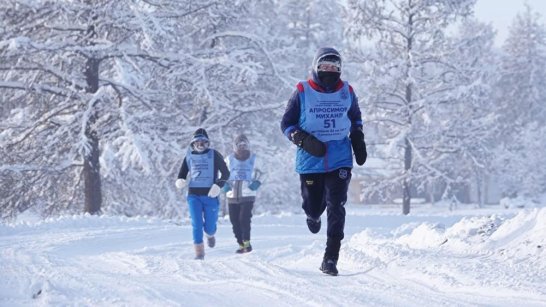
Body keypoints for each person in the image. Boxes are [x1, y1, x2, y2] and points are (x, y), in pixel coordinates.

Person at [280, 47, 367, 276]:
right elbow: (286, 124)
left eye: (334, 67)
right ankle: (312, 214)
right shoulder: (302, 90)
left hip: (340, 158)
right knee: (313, 203)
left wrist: (357, 136)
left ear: (339, 69)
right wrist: (301, 139)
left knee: (336, 206)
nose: (329, 71)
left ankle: (330, 258)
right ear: (316, 67)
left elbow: (355, 117)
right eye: (324, 66)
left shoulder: (347, 91)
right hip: (311, 159)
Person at [175, 128, 230, 260]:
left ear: (207, 143)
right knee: (196, 223)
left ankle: (210, 234)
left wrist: (218, 185)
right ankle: (199, 253)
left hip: (210, 195)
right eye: (197, 142)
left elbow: (226, 173)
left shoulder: (214, 155)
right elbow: (182, 174)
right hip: (193, 195)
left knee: (209, 226)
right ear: (193, 144)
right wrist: (180, 181)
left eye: (203, 142)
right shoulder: (189, 156)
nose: (200, 145)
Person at [223, 134, 262, 254]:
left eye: (244, 145)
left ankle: (247, 243)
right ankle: (240, 244)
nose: (242, 147)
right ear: (235, 146)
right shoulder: (229, 159)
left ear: (248, 145)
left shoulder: (254, 159)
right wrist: (224, 184)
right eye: (239, 145)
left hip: (248, 194)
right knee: (234, 221)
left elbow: (262, 173)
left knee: (244, 219)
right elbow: (222, 173)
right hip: (232, 195)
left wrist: (257, 183)